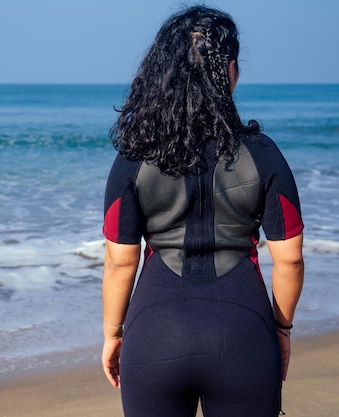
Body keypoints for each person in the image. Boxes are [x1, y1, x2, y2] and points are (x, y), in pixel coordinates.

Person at [101, 6, 304, 417]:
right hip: (244, 334)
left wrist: (113, 334)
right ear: (229, 70)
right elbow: (291, 258)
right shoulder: (263, 154)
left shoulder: (134, 156)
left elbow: (120, 261)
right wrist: (281, 330)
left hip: (156, 334)